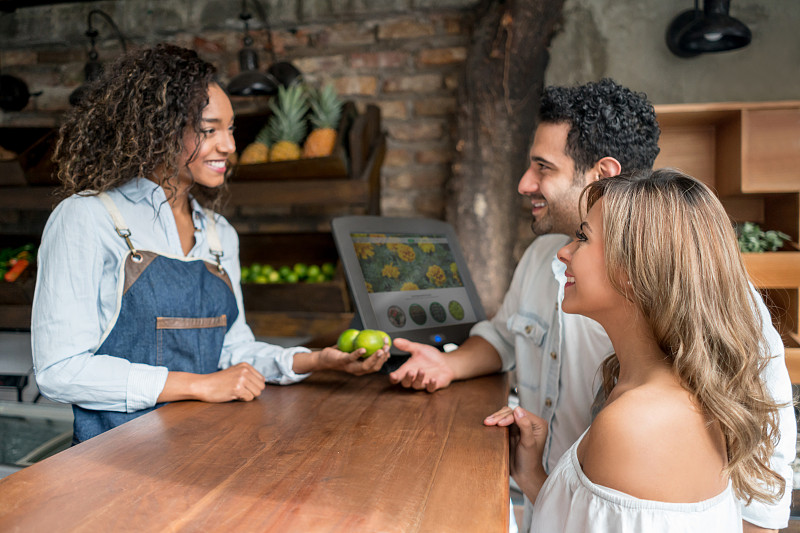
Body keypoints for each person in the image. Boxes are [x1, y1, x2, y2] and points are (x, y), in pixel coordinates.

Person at [388, 79, 795, 531]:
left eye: (543, 167)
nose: (525, 184)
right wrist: (450, 365)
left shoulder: (705, 301)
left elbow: (763, 469)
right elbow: (504, 335)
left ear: (602, 172)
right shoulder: (543, 258)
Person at [31, 43, 389, 444]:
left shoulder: (219, 234)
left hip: (204, 449)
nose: (229, 146)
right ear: (158, 128)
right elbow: (59, 371)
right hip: (117, 464)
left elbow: (234, 352)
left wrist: (318, 361)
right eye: (209, 130)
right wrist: (198, 385)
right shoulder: (88, 218)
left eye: (230, 128)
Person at [485, 169, 787, 531]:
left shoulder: (634, 425)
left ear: (631, 269)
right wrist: (532, 472)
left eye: (582, 238)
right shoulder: (656, 394)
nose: (564, 252)